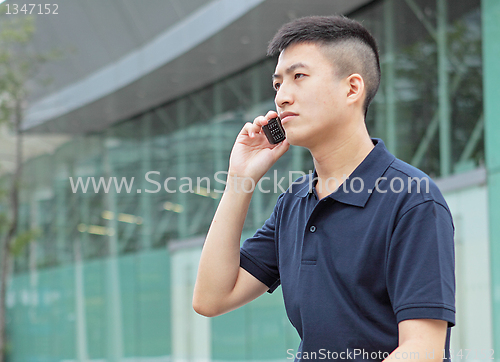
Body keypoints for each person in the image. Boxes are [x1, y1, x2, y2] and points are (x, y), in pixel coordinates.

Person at [193, 15, 455, 362]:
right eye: (277, 85)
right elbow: (211, 298)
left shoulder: (412, 199)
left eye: (298, 77)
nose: (282, 97)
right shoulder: (294, 202)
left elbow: (423, 348)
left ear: (352, 88)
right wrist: (240, 180)